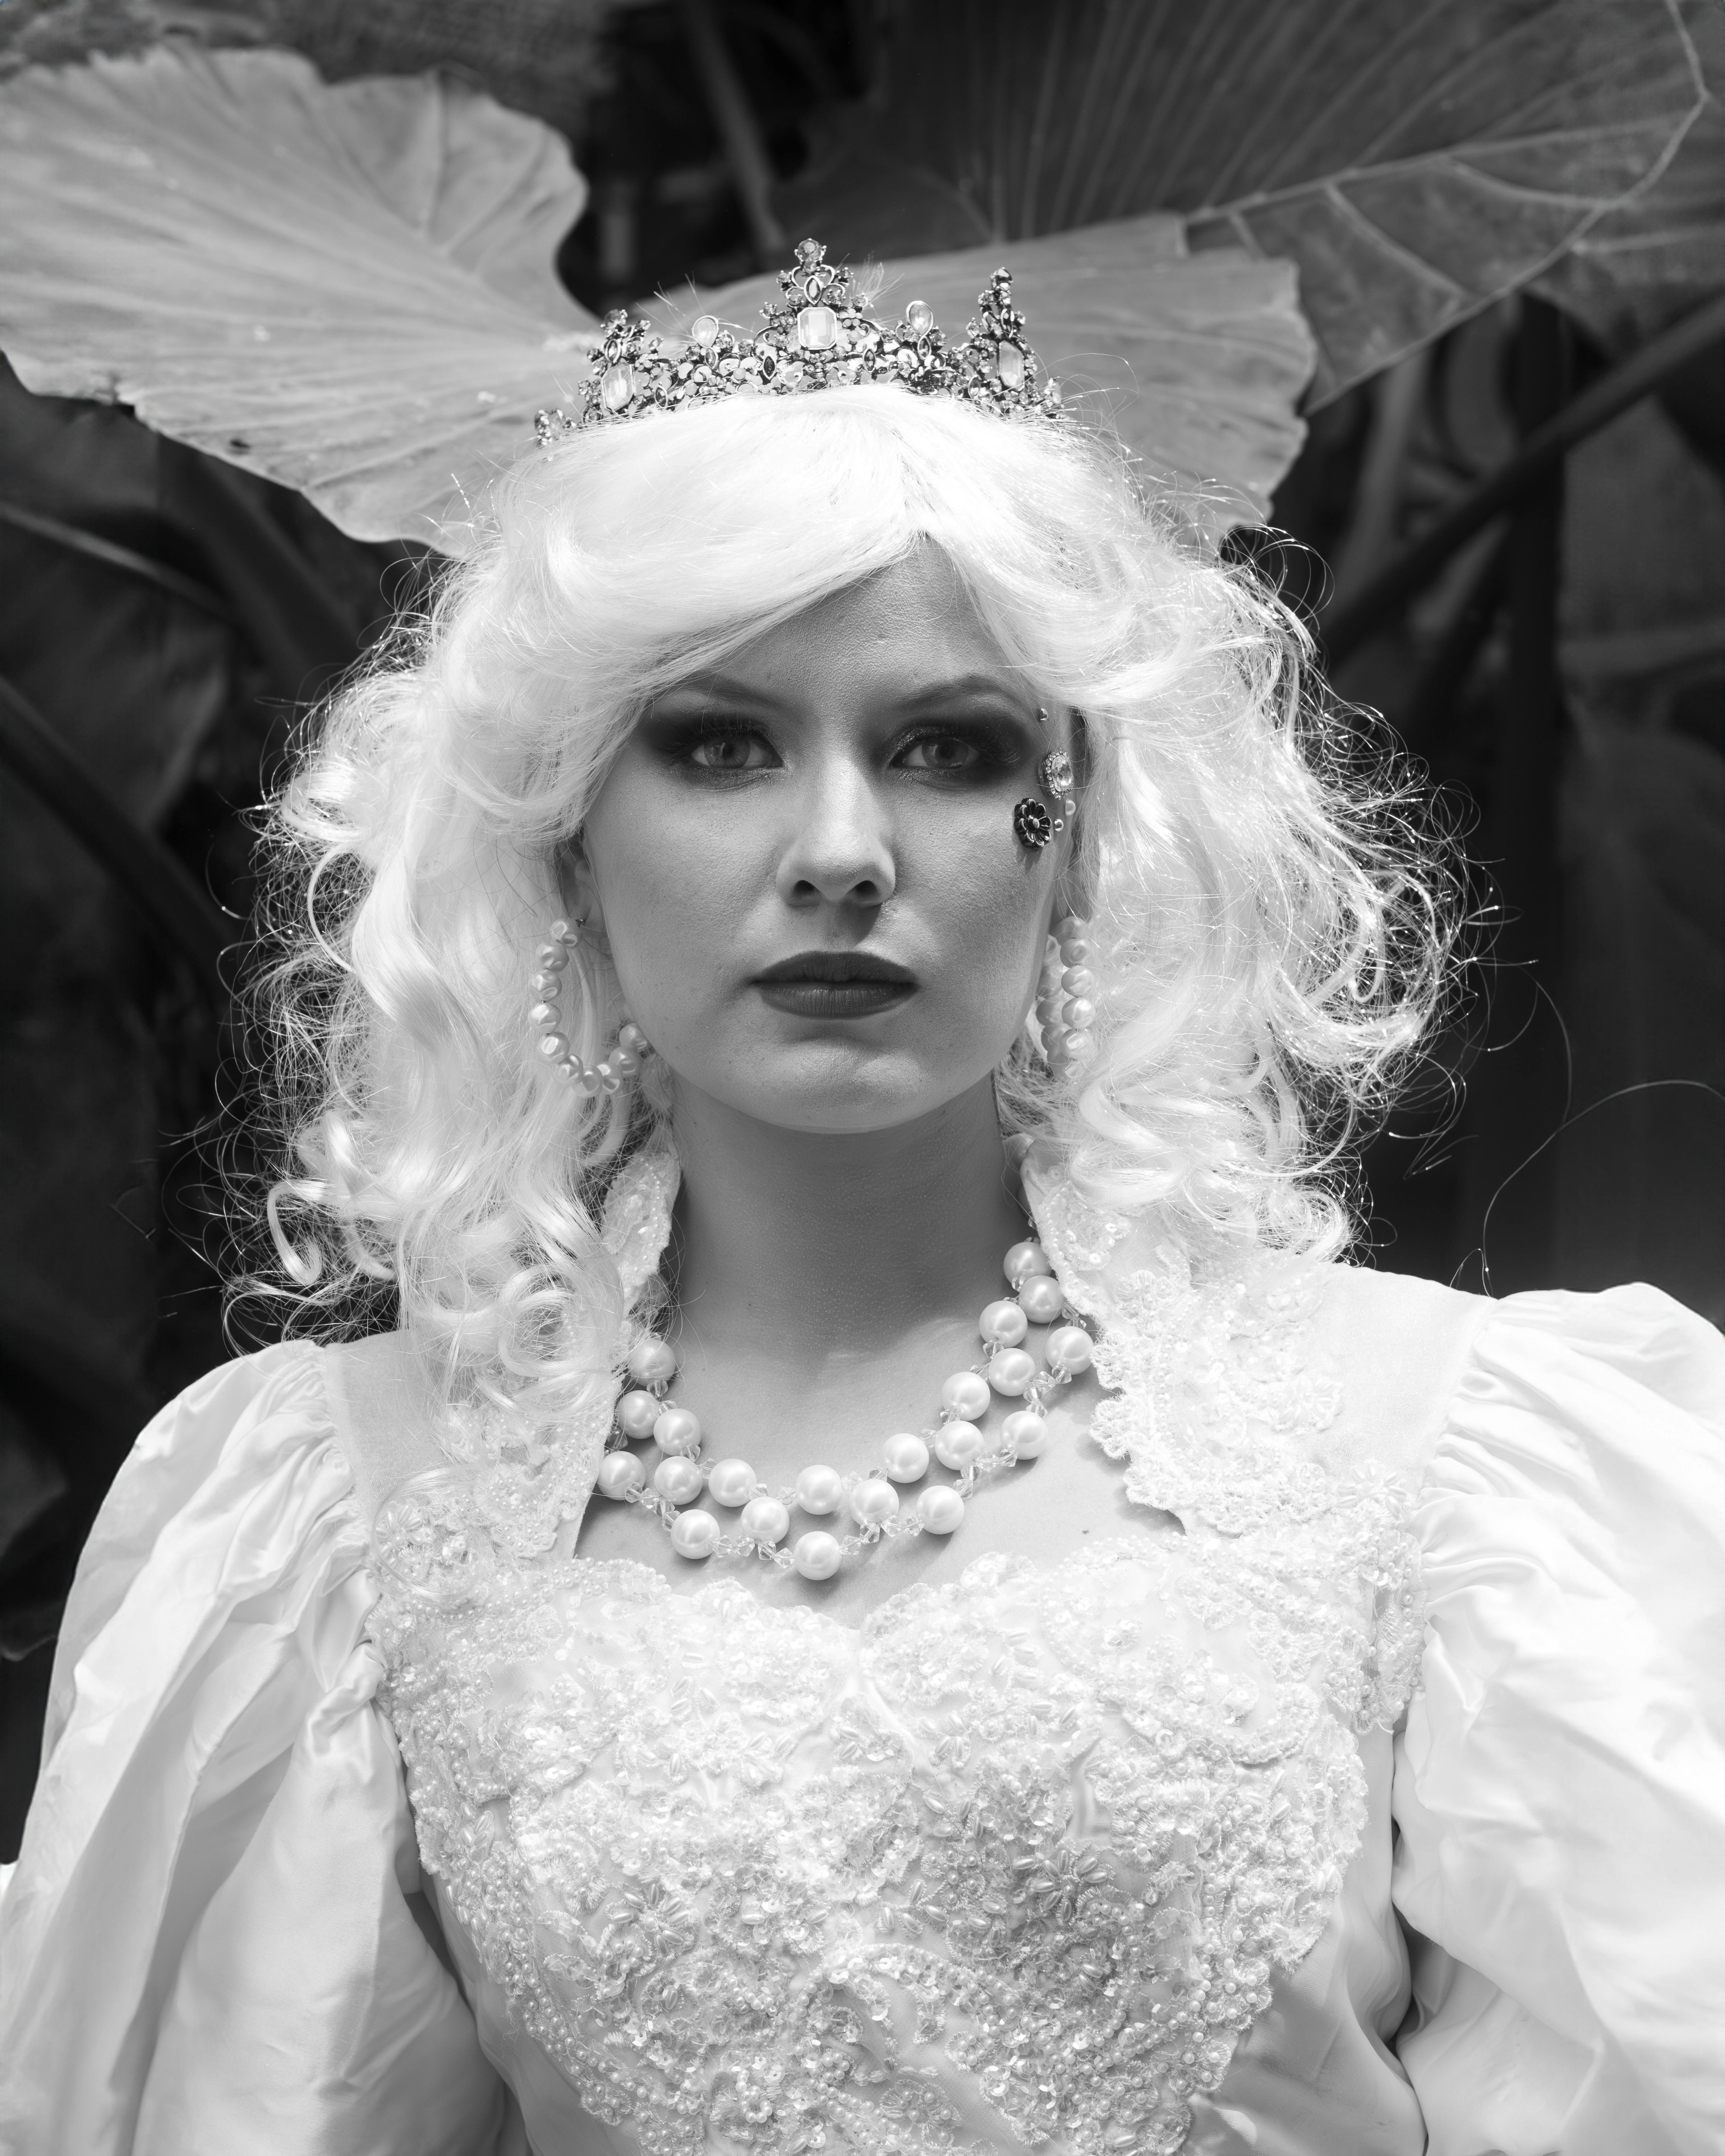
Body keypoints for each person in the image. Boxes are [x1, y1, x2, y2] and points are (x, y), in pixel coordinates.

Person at [1, 247, 1720, 2156]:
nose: (841, 852)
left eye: (950, 749)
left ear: (1080, 850)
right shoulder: (342, 1520)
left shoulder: (1452, 1461)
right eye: (719, 746)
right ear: (566, 845)